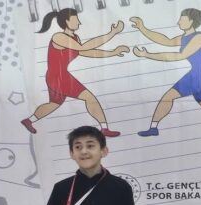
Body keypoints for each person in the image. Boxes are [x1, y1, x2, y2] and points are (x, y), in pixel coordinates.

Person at [20, 9, 128, 137]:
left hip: (56, 77)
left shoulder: (74, 38)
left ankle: (28, 121)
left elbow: (86, 52)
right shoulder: (59, 37)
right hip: (59, 78)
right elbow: (84, 47)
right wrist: (112, 33)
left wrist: (112, 52)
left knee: (54, 104)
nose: (79, 23)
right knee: (90, 98)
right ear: (67, 21)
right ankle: (104, 129)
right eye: (76, 20)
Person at [131, 9, 201, 136]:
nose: (178, 22)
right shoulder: (185, 37)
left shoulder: (200, 37)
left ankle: (153, 128)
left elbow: (180, 56)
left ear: (191, 21)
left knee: (169, 97)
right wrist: (142, 28)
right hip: (197, 74)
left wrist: (147, 55)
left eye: (182, 19)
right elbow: (166, 41)